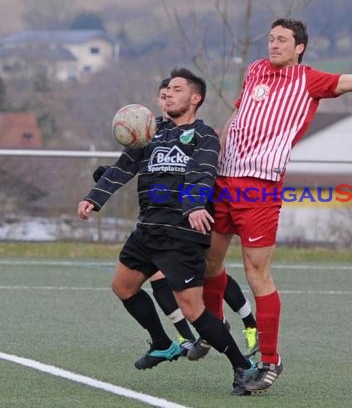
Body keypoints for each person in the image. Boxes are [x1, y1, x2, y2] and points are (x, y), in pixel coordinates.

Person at [201, 17, 352, 393]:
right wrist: (219, 140)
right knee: (209, 261)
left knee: (255, 272)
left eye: (282, 40)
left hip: (260, 187)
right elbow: (239, 114)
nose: (274, 44)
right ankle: (213, 328)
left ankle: (270, 360)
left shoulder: (309, 80)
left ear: (299, 47)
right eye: (271, 39)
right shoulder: (255, 70)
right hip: (224, 179)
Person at [77, 67, 256, 395]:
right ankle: (162, 343)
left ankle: (244, 367)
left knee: (192, 310)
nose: (167, 94)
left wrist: (194, 205)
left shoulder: (204, 135)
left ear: (195, 98)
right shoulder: (148, 132)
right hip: (147, 230)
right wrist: (94, 198)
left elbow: (202, 172)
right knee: (124, 287)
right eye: (164, 91)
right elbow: (122, 168)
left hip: (182, 232)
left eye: (176, 89)